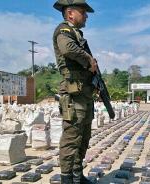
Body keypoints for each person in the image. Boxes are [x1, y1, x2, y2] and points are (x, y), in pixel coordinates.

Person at [52, 0, 97, 183]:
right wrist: (89, 60)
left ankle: (78, 176)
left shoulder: (77, 34)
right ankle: (67, 179)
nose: (86, 15)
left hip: (84, 93)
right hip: (73, 94)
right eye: (83, 12)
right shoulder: (64, 31)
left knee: (84, 137)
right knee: (71, 138)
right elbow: (67, 49)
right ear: (70, 13)